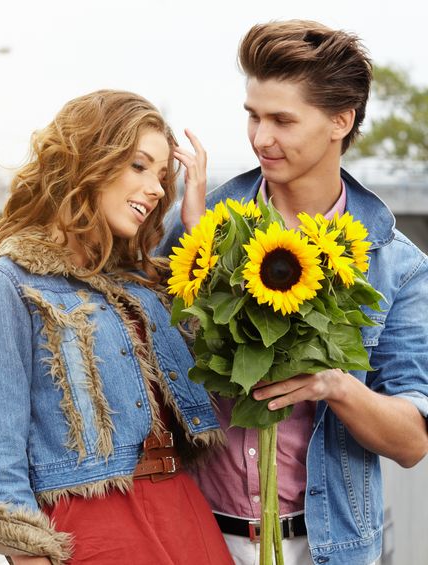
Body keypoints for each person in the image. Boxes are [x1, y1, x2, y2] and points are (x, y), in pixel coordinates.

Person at [158, 20, 428, 565]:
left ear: (340, 121)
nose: (261, 138)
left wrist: (336, 386)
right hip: (194, 537)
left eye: (282, 119)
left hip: (331, 547)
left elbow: (412, 442)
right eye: (253, 117)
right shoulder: (199, 227)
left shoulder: (398, 266)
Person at [0, 89, 233, 564]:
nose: (155, 189)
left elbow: (225, 359)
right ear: (90, 158)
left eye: (163, 177)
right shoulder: (6, 285)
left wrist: (197, 227)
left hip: (185, 515)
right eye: (139, 166)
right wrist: (27, 556)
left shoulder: (145, 287)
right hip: (92, 527)